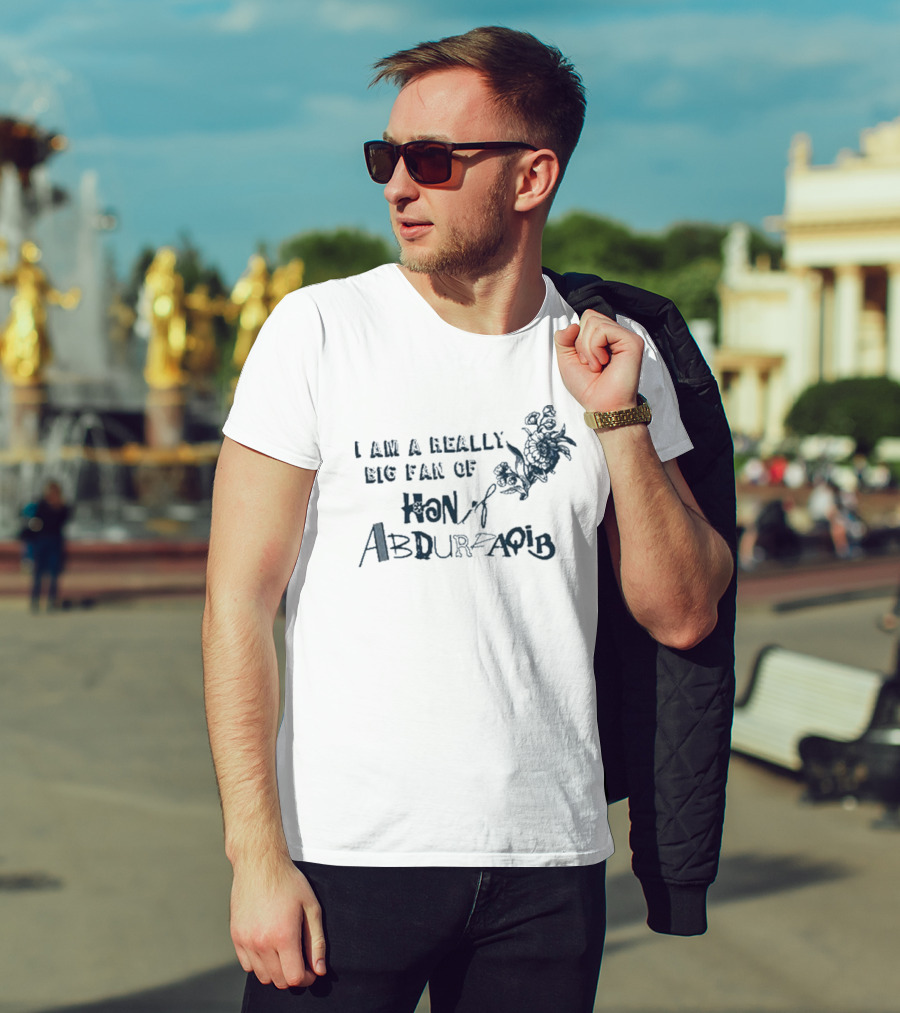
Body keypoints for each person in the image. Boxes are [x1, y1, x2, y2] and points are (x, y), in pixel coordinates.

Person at [202, 26, 734, 1013]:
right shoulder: (318, 331)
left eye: (433, 160)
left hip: (548, 862)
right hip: (344, 861)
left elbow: (685, 610)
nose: (399, 185)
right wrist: (255, 854)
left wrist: (617, 417)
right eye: (385, 157)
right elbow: (239, 605)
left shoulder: (616, 355)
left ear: (532, 176)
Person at [24, 480, 70, 611]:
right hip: (41, 541)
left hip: (55, 541)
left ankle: (51, 600)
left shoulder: (62, 507)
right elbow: (33, 519)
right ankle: (35, 600)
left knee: (54, 573)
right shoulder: (41, 504)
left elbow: (63, 520)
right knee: (38, 572)